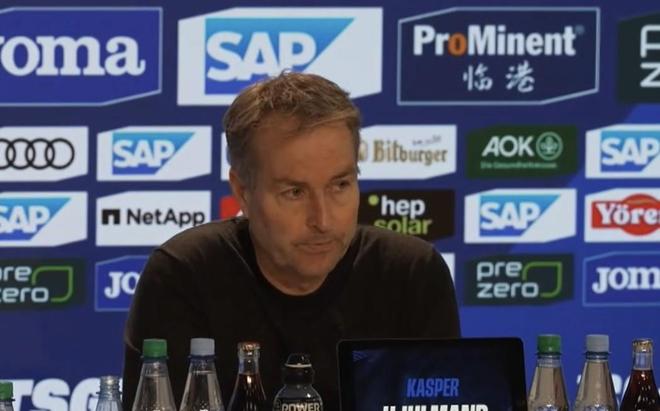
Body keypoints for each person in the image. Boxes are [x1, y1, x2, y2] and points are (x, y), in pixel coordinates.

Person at [122, 72, 460, 410]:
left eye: (340, 185)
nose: (323, 220)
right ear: (243, 191)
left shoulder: (411, 275)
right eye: (295, 192)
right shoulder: (184, 276)